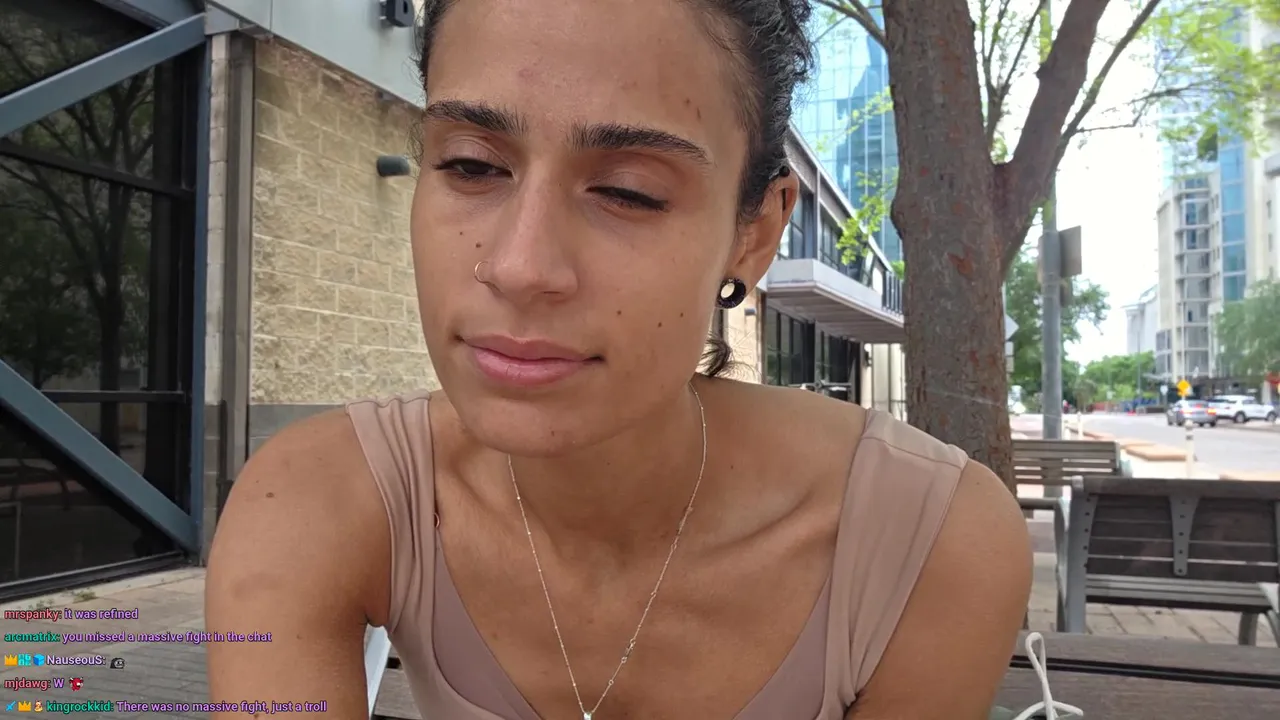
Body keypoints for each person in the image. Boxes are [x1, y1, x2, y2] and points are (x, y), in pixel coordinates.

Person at [205, 0, 1033, 717]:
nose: (520, 266)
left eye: (629, 190)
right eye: (471, 165)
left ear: (753, 235)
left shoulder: (926, 544)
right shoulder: (315, 501)